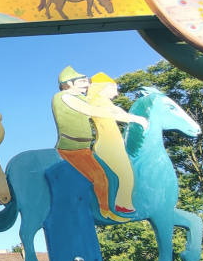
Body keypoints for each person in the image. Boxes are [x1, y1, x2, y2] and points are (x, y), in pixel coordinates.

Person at [51, 66, 148, 221]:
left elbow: (98, 105)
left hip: (83, 148)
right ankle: (105, 212)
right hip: (72, 148)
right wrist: (132, 118)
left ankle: (107, 209)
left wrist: (116, 108)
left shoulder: (79, 98)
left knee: (107, 176)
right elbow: (92, 110)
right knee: (100, 177)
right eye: (82, 82)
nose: (87, 85)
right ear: (69, 83)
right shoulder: (64, 97)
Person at [87, 72, 137, 214]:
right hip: (109, 144)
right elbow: (118, 114)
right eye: (114, 88)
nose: (116, 93)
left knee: (124, 174)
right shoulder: (99, 101)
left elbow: (119, 112)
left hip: (111, 143)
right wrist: (138, 119)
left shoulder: (101, 101)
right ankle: (120, 205)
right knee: (125, 174)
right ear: (106, 87)